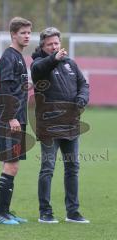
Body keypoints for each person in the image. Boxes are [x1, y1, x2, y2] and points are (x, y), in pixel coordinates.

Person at [31, 27, 90, 224]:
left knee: (72, 167)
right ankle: (44, 212)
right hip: (49, 126)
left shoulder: (71, 64)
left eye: (56, 43)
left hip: (71, 125)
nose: (54, 46)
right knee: (47, 168)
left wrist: (82, 98)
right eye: (50, 44)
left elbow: (84, 84)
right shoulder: (39, 65)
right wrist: (54, 59)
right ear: (43, 46)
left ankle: (73, 212)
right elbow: (39, 70)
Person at [0, 17, 32, 225]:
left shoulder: (18, 56)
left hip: (18, 119)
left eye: (28, 32)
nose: (27, 36)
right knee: (12, 165)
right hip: (10, 120)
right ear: (13, 34)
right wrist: (11, 117)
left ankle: (6, 211)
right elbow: (5, 90)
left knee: (10, 164)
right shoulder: (9, 57)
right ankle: (0, 214)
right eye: (23, 32)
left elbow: (16, 88)